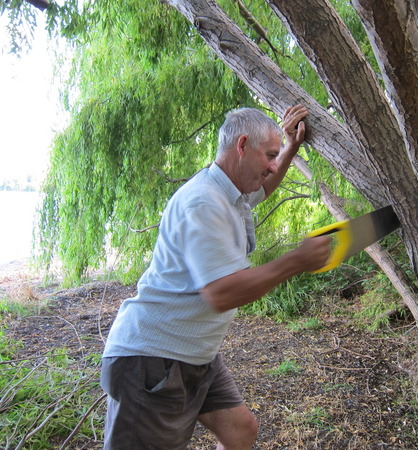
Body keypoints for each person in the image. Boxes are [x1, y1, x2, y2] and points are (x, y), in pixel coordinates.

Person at [100, 105, 331, 450]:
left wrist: (290, 148)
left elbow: (264, 188)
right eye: (269, 155)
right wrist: (297, 260)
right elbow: (221, 293)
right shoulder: (204, 203)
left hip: (195, 354)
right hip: (152, 359)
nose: (272, 165)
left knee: (240, 430)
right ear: (241, 146)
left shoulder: (229, 191)